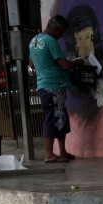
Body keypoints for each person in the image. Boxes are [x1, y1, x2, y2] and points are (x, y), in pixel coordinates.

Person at [29, 15, 81, 163]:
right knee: (52, 119)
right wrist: (79, 61)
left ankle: (62, 152)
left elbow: (32, 64)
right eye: (61, 32)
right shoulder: (50, 41)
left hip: (44, 86)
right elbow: (65, 65)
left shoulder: (34, 41)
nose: (61, 36)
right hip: (53, 87)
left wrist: (45, 67)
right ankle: (49, 154)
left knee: (60, 118)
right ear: (56, 29)